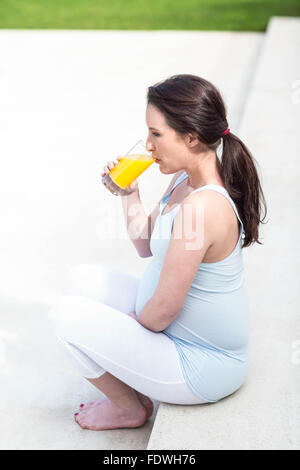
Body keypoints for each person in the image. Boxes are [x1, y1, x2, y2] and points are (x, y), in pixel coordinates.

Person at [48, 74, 267, 431]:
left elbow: (164, 309)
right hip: (175, 333)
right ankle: (136, 381)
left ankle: (127, 409)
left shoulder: (203, 208)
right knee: (80, 280)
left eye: (156, 134)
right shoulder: (184, 179)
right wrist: (128, 193)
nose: (147, 145)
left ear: (191, 138)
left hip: (200, 365)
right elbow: (144, 245)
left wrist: (130, 327)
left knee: (63, 317)